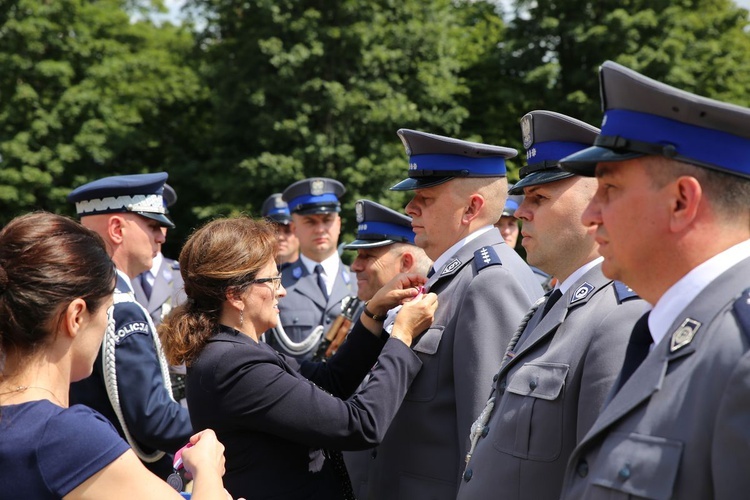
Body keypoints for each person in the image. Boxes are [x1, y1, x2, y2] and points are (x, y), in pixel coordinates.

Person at [556, 61, 750, 499]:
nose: (590, 216)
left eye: (610, 190)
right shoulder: (668, 328)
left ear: (682, 201)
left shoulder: (740, 352)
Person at [158, 216, 438, 500]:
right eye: (272, 280)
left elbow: (329, 382)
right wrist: (401, 337)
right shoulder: (236, 365)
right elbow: (360, 425)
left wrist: (373, 312)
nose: (282, 290)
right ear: (235, 295)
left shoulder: (233, 350)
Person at [456, 110, 647, 500]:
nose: (521, 211)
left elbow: (600, 481)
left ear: (599, 203)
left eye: (539, 197)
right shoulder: (551, 304)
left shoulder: (618, 315)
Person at [364, 129, 544, 500]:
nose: (410, 208)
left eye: (425, 198)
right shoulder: (454, 276)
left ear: (472, 208)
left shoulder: (488, 282)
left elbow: (482, 441)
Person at [0, 211, 228, 500]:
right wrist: (207, 466)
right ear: (76, 317)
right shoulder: (66, 434)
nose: (108, 323)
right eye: (108, 312)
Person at [68, 173, 193, 479]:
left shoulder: (77, 294)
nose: (161, 237)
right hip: (127, 477)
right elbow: (154, 419)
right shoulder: (120, 308)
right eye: (152, 226)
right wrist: (227, 419)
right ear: (116, 229)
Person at [340, 199, 432, 498]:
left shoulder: (434, 317)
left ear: (405, 264)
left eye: (367, 255)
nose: (355, 265)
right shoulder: (370, 315)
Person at [264, 177, 358, 360]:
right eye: (310, 222)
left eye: (327, 220)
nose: (320, 229)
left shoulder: (361, 282)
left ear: (338, 223)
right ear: (294, 227)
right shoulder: (276, 286)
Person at [132, 183, 189, 405]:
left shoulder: (184, 278)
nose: (158, 233)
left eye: (161, 224)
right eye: (150, 224)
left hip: (178, 401)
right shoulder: (112, 280)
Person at [261, 192, 299, 269]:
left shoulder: (316, 271)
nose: (280, 237)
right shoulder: (254, 277)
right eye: (275, 231)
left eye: (288, 230)